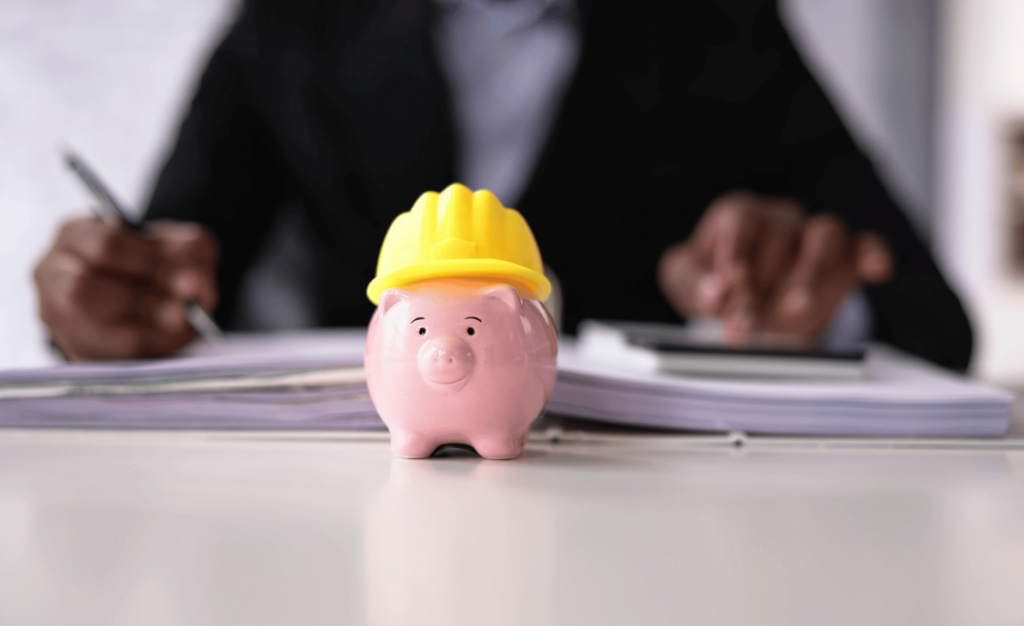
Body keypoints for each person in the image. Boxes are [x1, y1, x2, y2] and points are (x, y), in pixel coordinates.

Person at [33, 0, 973, 371]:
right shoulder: (292, 23)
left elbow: (931, 321)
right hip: (349, 508)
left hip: (649, 519)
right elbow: (163, 266)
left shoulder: (719, 26)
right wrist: (107, 302)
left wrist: (804, 308)